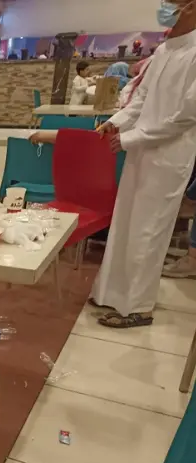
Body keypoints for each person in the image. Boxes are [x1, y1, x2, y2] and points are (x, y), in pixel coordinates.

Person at [89, 0, 196, 328]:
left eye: (172, 2)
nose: (165, 8)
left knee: (149, 230)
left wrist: (132, 138)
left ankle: (138, 306)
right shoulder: (165, 51)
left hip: (169, 154)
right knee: (126, 221)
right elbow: (142, 99)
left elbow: (184, 117)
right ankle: (111, 293)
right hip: (141, 149)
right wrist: (116, 122)